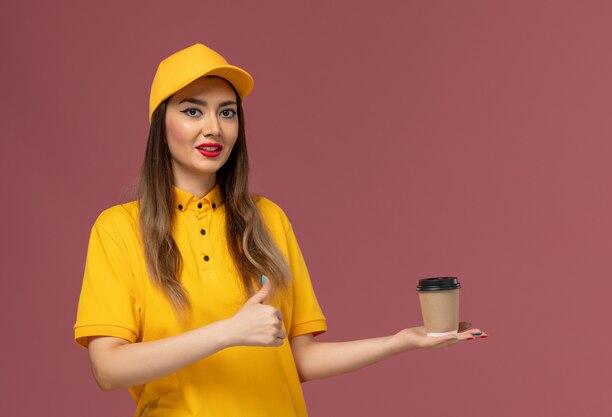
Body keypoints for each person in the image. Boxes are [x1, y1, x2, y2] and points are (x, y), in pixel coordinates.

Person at [74, 43, 487, 417]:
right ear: (161, 124)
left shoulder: (268, 219)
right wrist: (228, 332)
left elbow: (299, 359)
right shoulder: (119, 229)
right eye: (192, 110)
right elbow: (108, 369)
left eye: (227, 112)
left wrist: (401, 341)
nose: (214, 127)